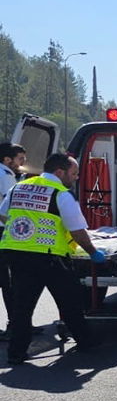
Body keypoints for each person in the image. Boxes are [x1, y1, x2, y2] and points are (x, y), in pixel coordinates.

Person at [0, 154, 107, 364]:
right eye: (74, 174)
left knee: (22, 306)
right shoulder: (61, 194)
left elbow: (4, 214)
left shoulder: (19, 187)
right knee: (70, 300)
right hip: (48, 255)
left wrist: (25, 229)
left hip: (15, 251)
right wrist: (93, 252)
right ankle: (85, 342)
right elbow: (77, 230)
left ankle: (16, 353)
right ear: (60, 172)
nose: (76, 178)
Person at [0, 143, 26, 341]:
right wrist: (16, 227)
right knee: (9, 282)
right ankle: (16, 325)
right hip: (3, 233)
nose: (23, 163)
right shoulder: (5, 175)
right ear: (7, 160)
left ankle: (17, 323)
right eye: (20, 159)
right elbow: (5, 209)